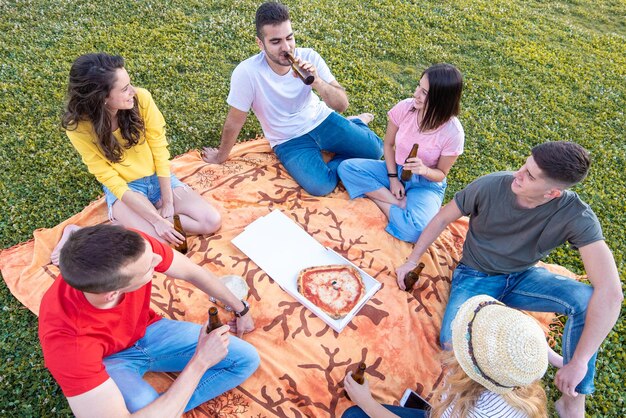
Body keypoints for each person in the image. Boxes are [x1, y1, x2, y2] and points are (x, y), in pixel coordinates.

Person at [395, 142, 623, 417]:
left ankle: (573, 399)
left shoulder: (577, 216)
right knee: (452, 343)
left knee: (586, 300)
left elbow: (611, 294)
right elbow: (443, 218)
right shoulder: (491, 186)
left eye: (530, 175)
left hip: (523, 277)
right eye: (524, 165)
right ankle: (531, 357)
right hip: (476, 274)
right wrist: (412, 260)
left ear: (552, 193)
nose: (518, 174)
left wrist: (581, 362)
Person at [38, 224, 260, 417]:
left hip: (149, 330)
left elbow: (192, 272)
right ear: (112, 294)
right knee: (147, 405)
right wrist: (201, 361)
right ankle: (162, 409)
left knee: (246, 359)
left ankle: (165, 408)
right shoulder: (69, 347)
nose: (158, 259)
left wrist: (241, 309)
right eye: (149, 268)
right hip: (108, 361)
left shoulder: (132, 248)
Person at [201, 1, 383, 196]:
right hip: (287, 138)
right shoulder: (247, 73)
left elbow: (342, 104)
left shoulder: (309, 57)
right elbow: (235, 121)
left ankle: (356, 123)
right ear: (260, 44)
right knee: (321, 187)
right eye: (276, 41)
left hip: (320, 120)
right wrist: (221, 156)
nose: (286, 47)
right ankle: (344, 152)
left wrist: (318, 82)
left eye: (289, 37)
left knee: (375, 151)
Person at [60, 53, 220, 254]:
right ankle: (80, 232)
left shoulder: (141, 99)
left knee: (211, 222)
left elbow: (159, 150)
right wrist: (157, 220)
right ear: (102, 98)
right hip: (126, 188)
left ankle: (126, 223)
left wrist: (168, 204)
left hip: (157, 177)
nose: (133, 91)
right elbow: (108, 177)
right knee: (159, 245)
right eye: (125, 88)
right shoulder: (79, 127)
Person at [343, 295, 550, 417]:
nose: (452, 341)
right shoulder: (512, 376)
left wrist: (367, 402)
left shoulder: (478, 412)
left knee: (353, 415)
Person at [338, 64, 464, 242]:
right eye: (418, 86)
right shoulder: (405, 108)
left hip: (425, 184)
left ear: (441, 99)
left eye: (424, 93)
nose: (415, 94)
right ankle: (397, 203)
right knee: (347, 168)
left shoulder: (453, 133)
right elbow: (388, 145)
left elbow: (441, 174)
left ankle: (378, 199)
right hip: (394, 169)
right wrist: (393, 179)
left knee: (417, 232)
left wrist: (425, 170)